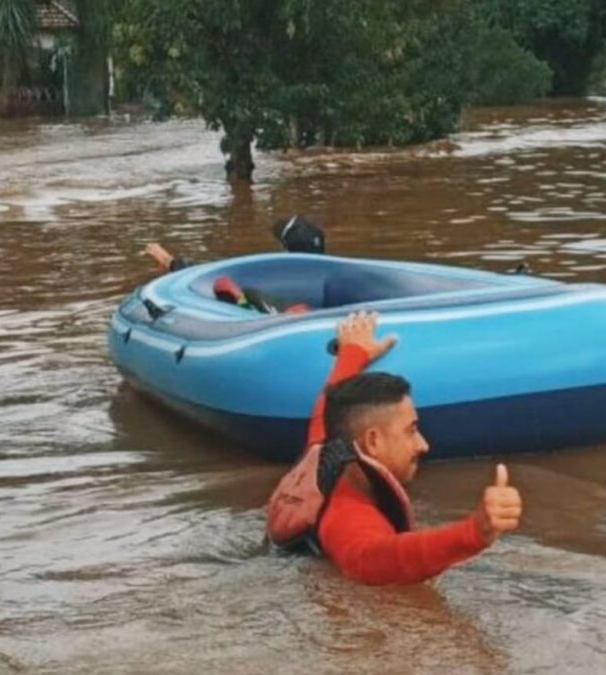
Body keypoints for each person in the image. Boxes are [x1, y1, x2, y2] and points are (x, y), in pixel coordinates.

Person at [267, 311, 524, 585]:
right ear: (373, 441)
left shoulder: (324, 450)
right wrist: (475, 532)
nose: (423, 444)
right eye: (411, 431)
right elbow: (377, 560)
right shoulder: (347, 515)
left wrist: (353, 351)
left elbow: (325, 409)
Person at [142, 214, 325, 314]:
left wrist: (171, 263)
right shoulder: (331, 278)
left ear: (285, 249)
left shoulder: (267, 283)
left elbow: (212, 278)